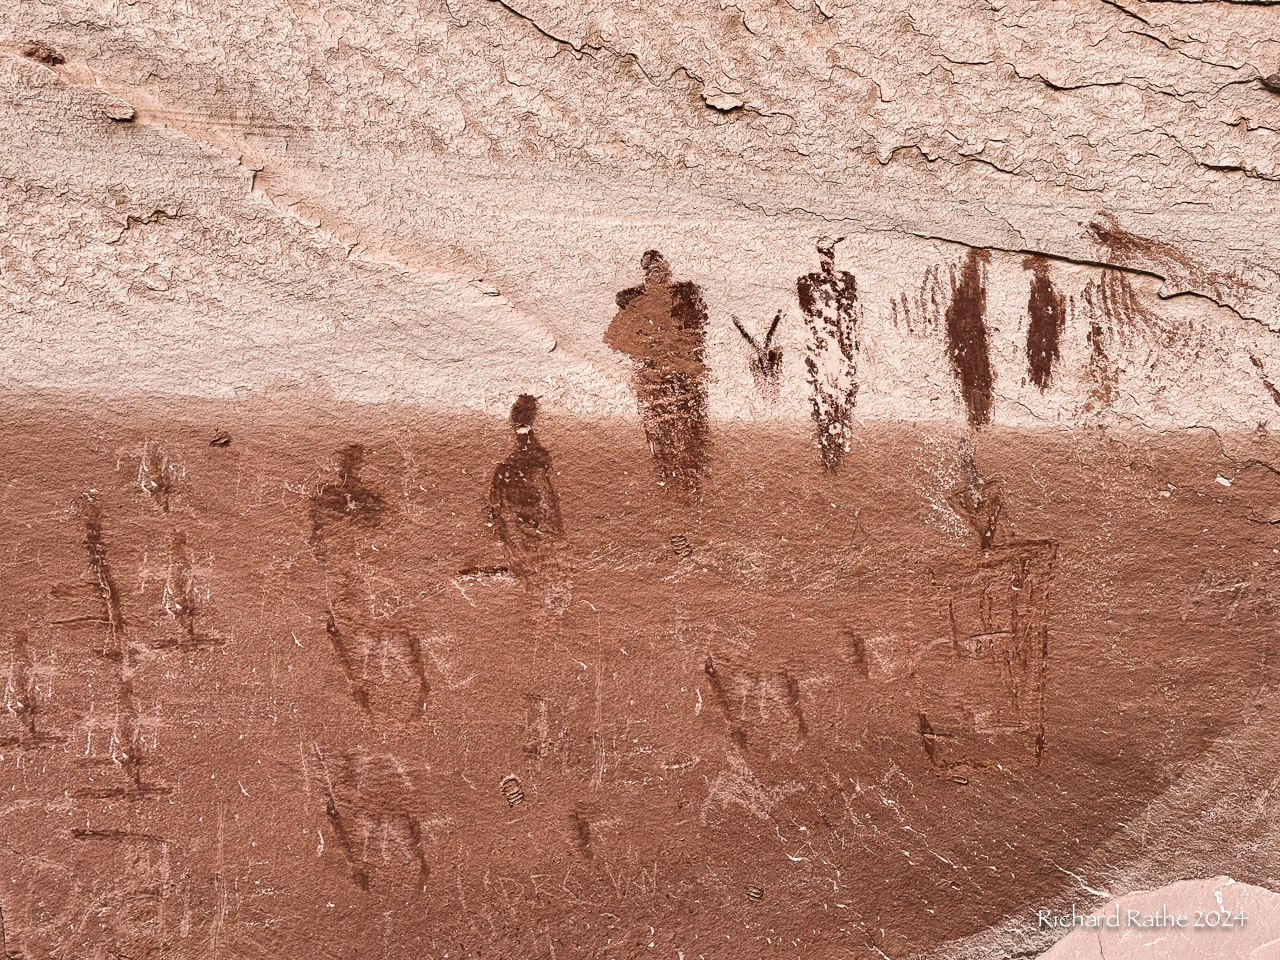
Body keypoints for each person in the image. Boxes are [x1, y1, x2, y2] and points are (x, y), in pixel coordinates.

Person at [605, 250, 710, 492]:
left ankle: (682, 475)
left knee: (682, 428)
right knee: (671, 428)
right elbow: (616, 340)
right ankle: (676, 474)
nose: (656, 275)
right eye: (651, 270)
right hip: (666, 379)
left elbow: (617, 341)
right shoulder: (639, 303)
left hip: (675, 378)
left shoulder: (683, 296)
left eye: (658, 269)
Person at [797, 237, 859, 471]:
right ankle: (830, 450)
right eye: (823, 255)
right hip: (823, 346)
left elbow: (851, 310)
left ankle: (836, 449)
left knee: (839, 395)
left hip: (839, 346)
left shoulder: (846, 279)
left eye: (828, 255)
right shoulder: (809, 281)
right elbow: (807, 308)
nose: (825, 260)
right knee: (824, 395)